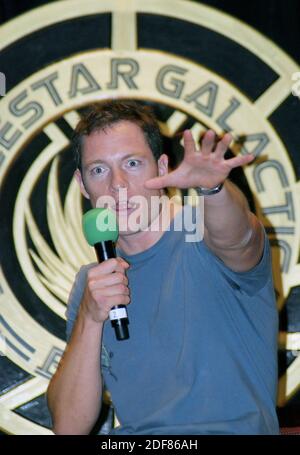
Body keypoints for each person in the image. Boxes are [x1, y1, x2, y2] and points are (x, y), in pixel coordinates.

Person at [46, 100, 279, 435]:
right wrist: (89, 317)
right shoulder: (91, 281)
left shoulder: (204, 231)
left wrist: (212, 189)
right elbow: (68, 428)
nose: (118, 185)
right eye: (99, 170)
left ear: (162, 166)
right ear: (82, 185)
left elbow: (238, 239)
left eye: (133, 163)